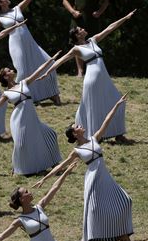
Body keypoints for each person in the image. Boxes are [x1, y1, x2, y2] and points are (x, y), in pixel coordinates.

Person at [33, 96, 132, 241]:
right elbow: (61, 166)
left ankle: (119, 233)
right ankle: (105, 236)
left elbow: (107, 121)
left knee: (124, 200)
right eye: (76, 126)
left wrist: (117, 105)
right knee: (95, 209)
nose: (80, 125)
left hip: (104, 175)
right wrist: (44, 179)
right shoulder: (77, 151)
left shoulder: (94, 138)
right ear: (74, 134)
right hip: (92, 178)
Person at [38, 11, 134, 144]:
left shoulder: (93, 40)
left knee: (117, 100)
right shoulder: (77, 49)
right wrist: (47, 72)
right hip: (92, 79)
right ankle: (96, 136)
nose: (83, 29)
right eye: (80, 29)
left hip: (104, 77)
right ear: (77, 35)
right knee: (94, 106)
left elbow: (110, 28)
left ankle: (118, 134)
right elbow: (61, 60)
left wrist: (125, 17)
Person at [0, 52, 63, 176]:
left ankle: (54, 164)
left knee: (50, 134)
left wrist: (51, 60)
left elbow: (38, 71)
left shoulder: (23, 83)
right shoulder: (6, 93)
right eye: (8, 70)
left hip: (32, 118)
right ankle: (19, 169)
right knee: (21, 144)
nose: (11, 70)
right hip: (19, 119)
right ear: (5, 77)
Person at [0, 0, 61, 105]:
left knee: (49, 63)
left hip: (29, 42)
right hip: (16, 45)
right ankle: (24, 96)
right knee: (22, 71)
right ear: (0, 3)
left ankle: (53, 94)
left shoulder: (17, 9)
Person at [63, 0, 110, 77]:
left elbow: (105, 1)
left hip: (92, 18)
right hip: (78, 18)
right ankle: (80, 71)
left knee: (92, 43)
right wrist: (72, 11)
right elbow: (65, 0)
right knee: (78, 45)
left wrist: (99, 12)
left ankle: (92, 69)